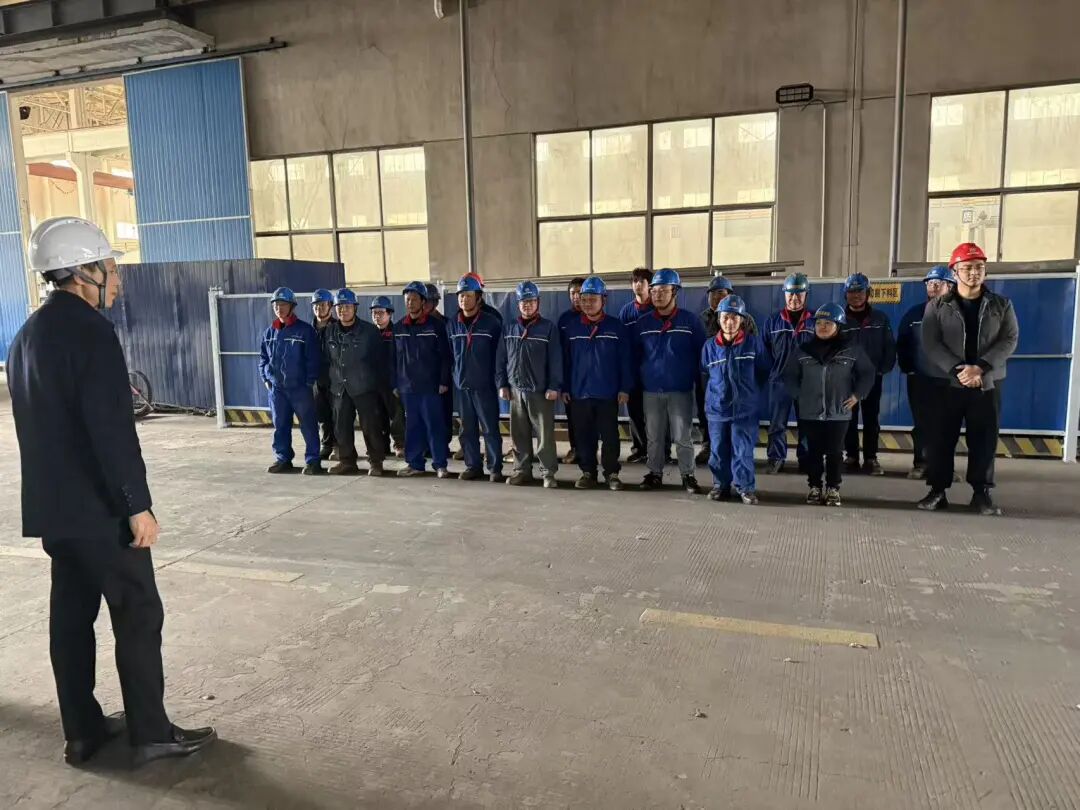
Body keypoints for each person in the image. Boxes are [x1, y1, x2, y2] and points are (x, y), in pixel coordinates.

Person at [6, 216, 216, 768]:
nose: (118, 279)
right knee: (138, 612)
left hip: (56, 514)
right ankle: (151, 732)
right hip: (101, 512)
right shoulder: (91, 333)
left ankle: (82, 732)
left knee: (71, 620)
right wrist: (136, 506)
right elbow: (111, 431)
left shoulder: (27, 336)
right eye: (111, 268)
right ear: (83, 273)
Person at [918, 242, 1019, 516]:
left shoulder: (1001, 305)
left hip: (987, 383)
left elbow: (1009, 339)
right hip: (947, 383)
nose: (974, 273)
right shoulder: (938, 306)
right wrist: (958, 370)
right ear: (955, 272)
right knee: (941, 439)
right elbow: (931, 342)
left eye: (979, 267)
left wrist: (981, 368)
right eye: (967, 268)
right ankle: (937, 491)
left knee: (984, 440)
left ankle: (981, 494)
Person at [784, 302, 875, 507]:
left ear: (838, 326)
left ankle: (833, 488)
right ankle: (815, 487)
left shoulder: (851, 350)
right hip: (810, 411)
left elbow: (867, 373)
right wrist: (799, 395)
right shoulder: (803, 350)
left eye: (828, 323)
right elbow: (789, 376)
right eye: (819, 323)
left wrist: (858, 395)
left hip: (839, 411)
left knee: (835, 452)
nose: (822, 327)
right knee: (813, 452)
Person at [632, 268, 706, 494]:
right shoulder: (643, 324)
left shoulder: (690, 322)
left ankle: (688, 475)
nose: (658, 295)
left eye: (663, 290)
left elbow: (701, 355)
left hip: (680, 389)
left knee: (683, 436)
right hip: (651, 389)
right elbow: (635, 356)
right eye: (655, 291)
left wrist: (700, 384)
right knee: (653, 437)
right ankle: (654, 473)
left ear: (675, 292)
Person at [562, 276, 633, 491]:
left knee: (610, 435)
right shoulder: (572, 329)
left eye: (593, 299)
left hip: (607, 392)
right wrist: (565, 387)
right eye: (584, 299)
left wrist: (624, 387)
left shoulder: (616, 327)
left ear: (604, 300)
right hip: (579, 392)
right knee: (584, 435)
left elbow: (625, 360)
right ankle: (588, 473)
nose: (587, 303)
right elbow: (565, 361)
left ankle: (611, 473)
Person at [701, 295, 771, 505]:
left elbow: (763, 371)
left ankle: (745, 488)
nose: (729, 322)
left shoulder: (753, 344)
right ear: (719, 319)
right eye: (725, 317)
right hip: (717, 409)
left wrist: (749, 394)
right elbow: (704, 373)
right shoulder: (709, 347)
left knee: (742, 451)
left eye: (734, 317)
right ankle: (720, 486)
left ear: (742, 320)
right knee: (718, 451)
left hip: (744, 410)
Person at [496, 281, 563, 488]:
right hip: (516, 390)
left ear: (538, 303)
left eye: (531, 301)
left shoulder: (548, 328)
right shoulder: (509, 329)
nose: (527, 305)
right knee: (518, 434)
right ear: (518, 304)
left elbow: (556, 360)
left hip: (540, 391)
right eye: (523, 301)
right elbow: (501, 359)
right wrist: (502, 384)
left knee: (545, 435)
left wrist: (554, 386)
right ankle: (522, 471)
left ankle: (548, 473)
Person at [323, 289, 391, 477]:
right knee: (341, 427)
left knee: (371, 427)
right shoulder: (330, 331)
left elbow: (380, 360)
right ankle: (347, 462)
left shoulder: (369, 332)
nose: (343, 310)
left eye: (347, 306)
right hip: (340, 388)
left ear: (355, 308)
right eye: (340, 307)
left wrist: (378, 386)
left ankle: (376, 462)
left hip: (364, 388)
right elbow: (327, 359)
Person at [897, 266, 954, 479]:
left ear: (950, 286)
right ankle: (921, 463)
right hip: (920, 379)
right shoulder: (914, 314)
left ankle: (944, 467)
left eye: (938, 283)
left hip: (950, 380)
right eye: (930, 283)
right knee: (922, 424)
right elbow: (903, 343)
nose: (933, 287)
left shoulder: (959, 314)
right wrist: (909, 369)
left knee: (948, 425)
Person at [259, 287, 324, 475]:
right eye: (276, 305)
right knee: (280, 426)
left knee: (308, 425)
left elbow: (313, 359)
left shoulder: (305, 331)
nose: (279, 308)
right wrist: (266, 378)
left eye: (283, 305)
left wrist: (309, 382)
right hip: (277, 390)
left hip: (300, 389)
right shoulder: (269, 332)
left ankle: (313, 461)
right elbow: (263, 358)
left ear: (292, 306)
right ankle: (283, 459)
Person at [447, 274, 504, 482]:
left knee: (490, 428)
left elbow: (499, 355)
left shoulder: (491, 323)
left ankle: (495, 468)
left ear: (478, 297)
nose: (464, 300)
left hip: (485, 386)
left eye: (468, 295)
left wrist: (499, 382)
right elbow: (450, 355)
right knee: (467, 429)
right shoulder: (452, 324)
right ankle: (473, 466)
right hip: (462, 386)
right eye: (461, 296)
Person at [696, 276, 758, 465]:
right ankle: (708, 445)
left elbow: (754, 349)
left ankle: (738, 452)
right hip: (711, 374)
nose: (716, 297)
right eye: (712, 294)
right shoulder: (701, 319)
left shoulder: (745, 318)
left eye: (721, 293)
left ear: (730, 295)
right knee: (708, 412)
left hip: (738, 376)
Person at [839, 273, 896, 476]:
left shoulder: (880, 318)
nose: (856, 295)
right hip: (847, 380)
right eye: (851, 291)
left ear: (868, 293)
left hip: (872, 378)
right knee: (848, 418)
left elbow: (889, 346)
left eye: (860, 291)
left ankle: (871, 458)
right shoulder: (840, 319)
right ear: (845, 294)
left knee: (871, 418)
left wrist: (882, 370)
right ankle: (851, 457)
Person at [394, 281, 453, 477]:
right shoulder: (399, 327)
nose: (410, 303)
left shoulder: (436, 326)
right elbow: (393, 359)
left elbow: (445, 356)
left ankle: (440, 464)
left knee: (435, 426)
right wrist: (396, 384)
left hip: (431, 387)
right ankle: (415, 464)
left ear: (423, 302)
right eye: (407, 300)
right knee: (412, 427)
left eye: (414, 299)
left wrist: (443, 381)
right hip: (408, 388)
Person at [763, 272, 815, 474]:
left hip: (807, 383)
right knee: (777, 424)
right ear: (784, 294)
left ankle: (807, 459)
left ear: (806, 294)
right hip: (780, 382)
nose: (794, 298)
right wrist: (774, 373)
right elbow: (764, 352)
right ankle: (776, 458)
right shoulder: (773, 321)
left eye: (799, 294)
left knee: (807, 423)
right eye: (790, 294)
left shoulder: (815, 321)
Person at [619, 267, 654, 463]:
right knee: (635, 412)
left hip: (653, 369)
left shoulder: (657, 309)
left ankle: (661, 450)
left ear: (650, 285)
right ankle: (640, 449)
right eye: (635, 281)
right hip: (633, 369)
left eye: (642, 281)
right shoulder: (626, 312)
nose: (638, 284)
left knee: (657, 414)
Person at [370, 295, 405, 458]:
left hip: (392, 383)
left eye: (380, 312)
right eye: (374, 313)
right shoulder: (368, 333)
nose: (377, 316)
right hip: (373, 383)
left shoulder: (397, 332)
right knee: (377, 416)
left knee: (396, 416)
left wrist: (398, 383)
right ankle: (381, 446)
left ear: (389, 313)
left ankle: (400, 444)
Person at [557, 277, 586, 464]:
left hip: (592, 379)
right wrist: (564, 385)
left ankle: (589, 451)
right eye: (572, 293)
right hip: (572, 379)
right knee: (573, 418)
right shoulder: (564, 320)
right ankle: (575, 449)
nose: (576, 297)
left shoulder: (596, 317)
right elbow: (561, 354)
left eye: (580, 292)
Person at [310, 288, 336, 460]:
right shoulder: (309, 330)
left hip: (336, 379)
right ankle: (327, 445)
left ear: (330, 306)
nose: (319, 308)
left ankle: (341, 446)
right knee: (322, 415)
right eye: (316, 305)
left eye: (322, 305)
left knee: (339, 415)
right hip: (317, 380)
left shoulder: (337, 327)